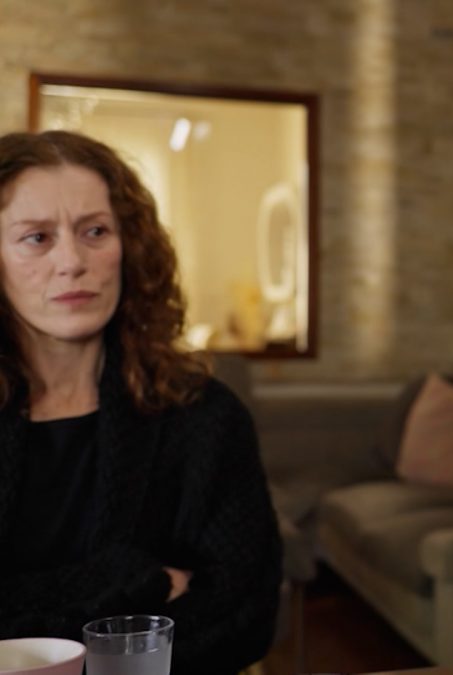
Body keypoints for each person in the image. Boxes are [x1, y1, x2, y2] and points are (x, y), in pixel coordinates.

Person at [0, 130, 282, 675]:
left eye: (95, 231)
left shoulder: (204, 415)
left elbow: (243, 617)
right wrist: (132, 579)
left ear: (129, 246)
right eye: (36, 238)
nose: (72, 261)